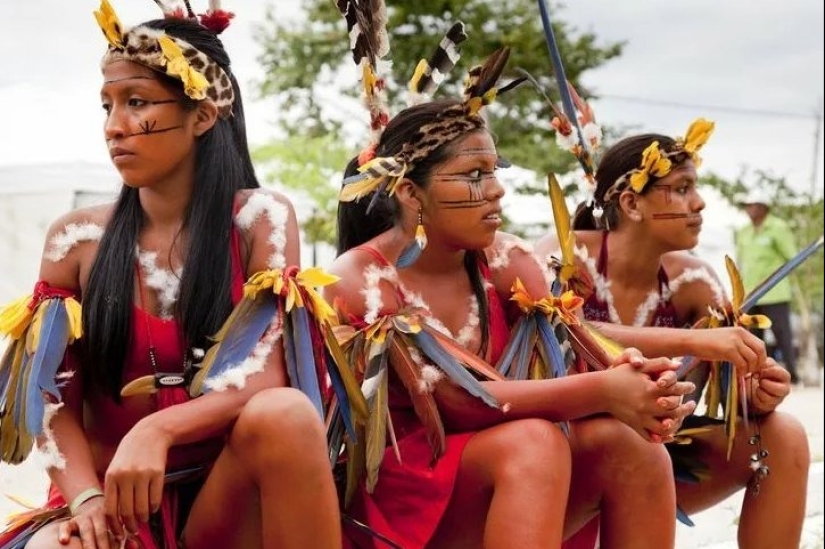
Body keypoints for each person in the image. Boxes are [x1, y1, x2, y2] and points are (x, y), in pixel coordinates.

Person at [326, 48, 698, 549]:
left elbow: (581, 346)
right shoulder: (361, 277)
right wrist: (609, 390)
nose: (497, 190)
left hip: (503, 468)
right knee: (534, 441)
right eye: (475, 175)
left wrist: (640, 379)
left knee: (631, 446)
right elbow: (455, 401)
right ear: (411, 194)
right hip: (407, 498)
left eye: (495, 170)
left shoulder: (505, 261)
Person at [0, 2, 340, 548]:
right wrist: (85, 498)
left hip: (229, 501)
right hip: (108, 507)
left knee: (285, 412)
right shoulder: (75, 241)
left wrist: (158, 428)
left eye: (137, 103)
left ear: (202, 116)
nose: (115, 127)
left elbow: (266, 375)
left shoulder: (260, 220)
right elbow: (48, 395)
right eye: (107, 105)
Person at [535, 123, 810, 549]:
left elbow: (731, 391)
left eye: (694, 188)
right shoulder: (565, 254)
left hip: (659, 458)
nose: (698, 203)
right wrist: (689, 342)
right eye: (681, 189)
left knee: (782, 435)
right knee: (627, 443)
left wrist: (755, 391)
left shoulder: (696, 280)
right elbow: (555, 325)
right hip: (563, 457)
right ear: (631, 203)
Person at [735, 189, 800, 384]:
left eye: (753, 205)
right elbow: (740, 263)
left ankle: (794, 377)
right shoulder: (743, 232)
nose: (749, 209)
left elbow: (792, 258)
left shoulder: (778, 227)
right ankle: (756, 378)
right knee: (753, 339)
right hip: (750, 295)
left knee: (783, 336)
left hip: (776, 293)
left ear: (763, 207)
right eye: (747, 205)